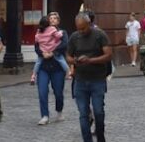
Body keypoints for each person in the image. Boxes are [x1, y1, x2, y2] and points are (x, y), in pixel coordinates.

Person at [68, 12, 112, 142]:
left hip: (97, 79)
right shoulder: (74, 37)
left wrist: (90, 60)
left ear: (89, 24)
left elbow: (108, 55)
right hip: (80, 80)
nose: (80, 31)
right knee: (83, 114)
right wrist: (74, 61)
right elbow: (68, 56)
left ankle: (100, 137)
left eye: (83, 28)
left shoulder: (100, 35)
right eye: (78, 28)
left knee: (98, 111)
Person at [33, 12, 68, 126]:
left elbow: (64, 44)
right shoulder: (41, 31)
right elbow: (36, 46)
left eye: (54, 18)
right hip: (44, 66)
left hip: (57, 67)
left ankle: (59, 110)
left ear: (58, 21)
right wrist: (42, 53)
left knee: (58, 92)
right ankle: (45, 115)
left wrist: (53, 53)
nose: (52, 20)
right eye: (50, 18)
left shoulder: (62, 32)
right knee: (42, 91)